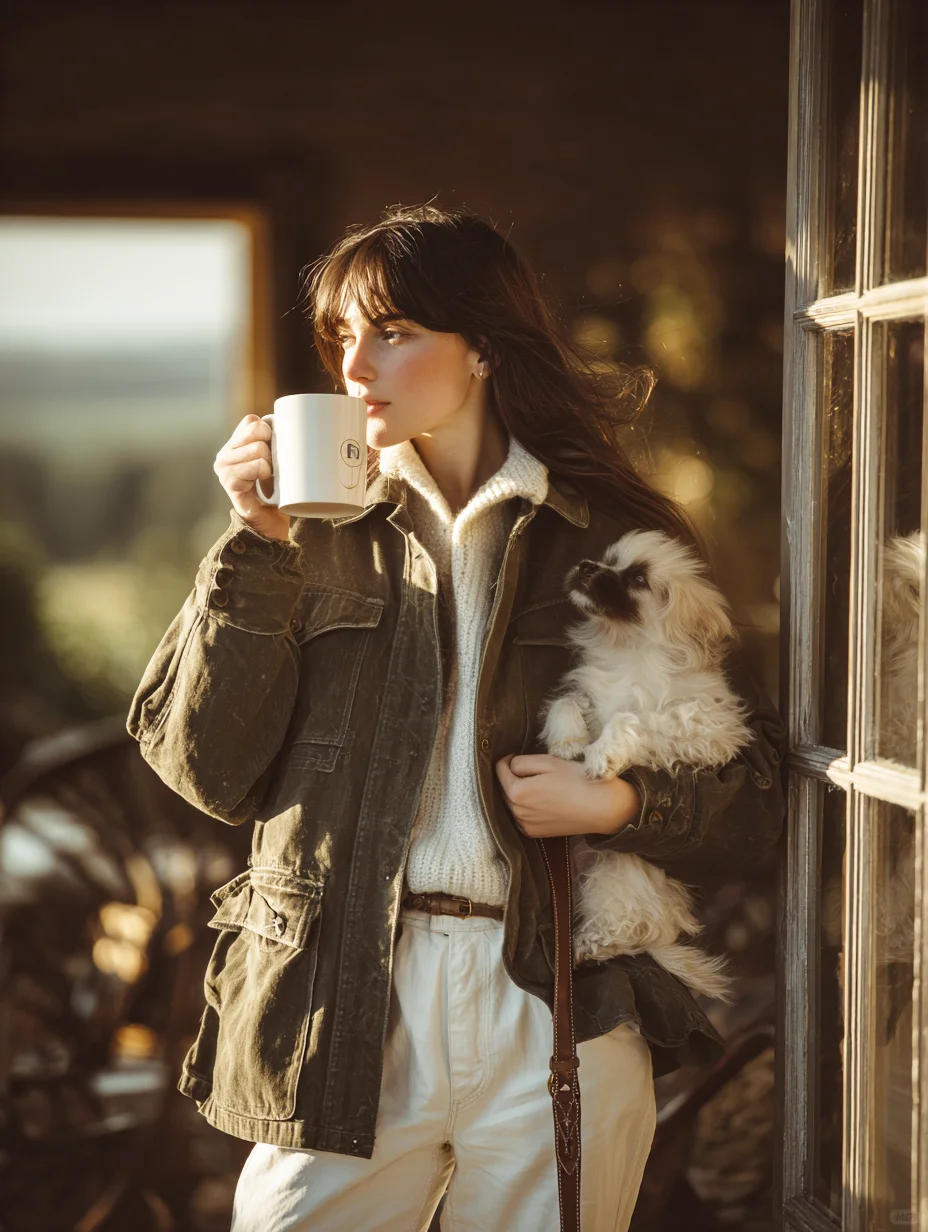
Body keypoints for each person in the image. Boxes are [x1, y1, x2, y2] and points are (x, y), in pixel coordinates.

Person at [127, 203, 788, 1232]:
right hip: (343, 991)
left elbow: (750, 801)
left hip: (555, 996)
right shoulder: (301, 535)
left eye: (392, 332)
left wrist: (613, 801)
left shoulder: (617, 539)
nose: (356, 366)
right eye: (342, 337)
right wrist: (250, 543)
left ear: (481, 344)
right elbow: (206, 767)